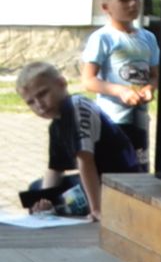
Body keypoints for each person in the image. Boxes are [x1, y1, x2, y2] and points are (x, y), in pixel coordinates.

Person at [19, 61, 139, 218]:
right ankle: (54, 209)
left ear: (62, 84)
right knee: (36, 189)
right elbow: (55, 168)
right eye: (31, 102)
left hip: (117, 181)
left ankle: (94, 208)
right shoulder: (56, 125)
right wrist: (44, 200)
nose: (39, 104)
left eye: (42, 94)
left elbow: (85, 161)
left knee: (70, 201)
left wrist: (96, 209)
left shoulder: (77, 108)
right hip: (96, 177)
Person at [79, 0, 158, 158]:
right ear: (106, 7)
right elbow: (88, 80)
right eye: (124, 0)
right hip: (112, 120)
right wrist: (120, 91)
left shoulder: (148, 38)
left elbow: (155, 75)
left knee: (138, 165)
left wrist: (150, 88)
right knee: (115, 167)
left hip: (139, 118)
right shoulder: (103, 38)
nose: (133, 4)